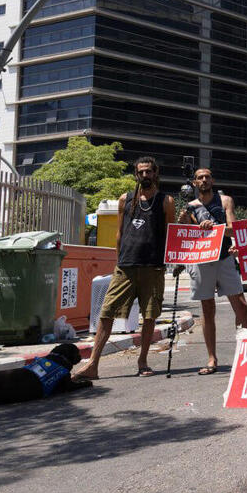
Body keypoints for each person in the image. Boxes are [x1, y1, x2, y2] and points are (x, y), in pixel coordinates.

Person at [75, 156, 174, 380]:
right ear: (136, 175)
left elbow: (171, 234)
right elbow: (120, 233)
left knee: (149, 317)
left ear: (155, 173)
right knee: (106, 312)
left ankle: (143, 361)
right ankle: (93, 364)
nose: (145, 176)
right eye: (141, 172)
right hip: (125, 267)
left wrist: (172, 262)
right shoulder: (125, 200)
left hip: (153, 267)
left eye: (149, 171)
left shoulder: (166, 201)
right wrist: (118, 261)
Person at [177, 168, 247, 375]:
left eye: (207, 177)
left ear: (213, 180)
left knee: (241, 306)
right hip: (202, 260)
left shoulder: (225, 200)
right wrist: (184, 222)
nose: (204, 180)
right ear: (194, 183)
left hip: (225, 258)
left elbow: (234, 228)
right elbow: (186, 235)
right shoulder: (189, 207)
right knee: (207, 309)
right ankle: (212, 358)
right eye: (200, 178)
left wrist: (214, 227)